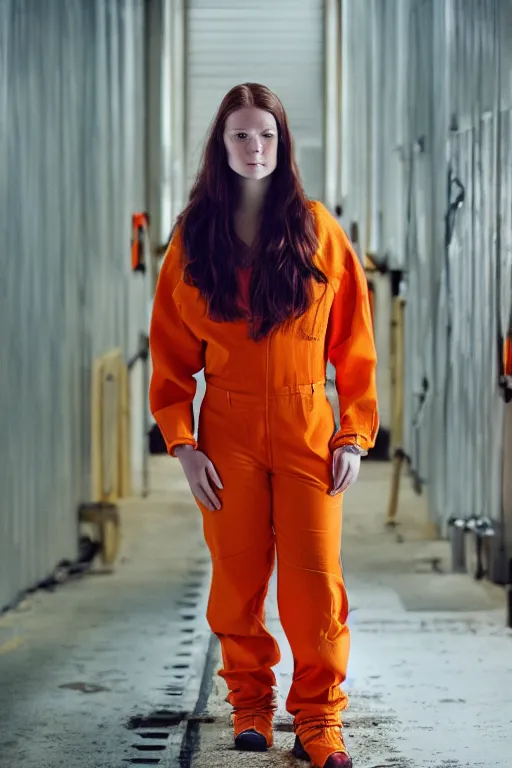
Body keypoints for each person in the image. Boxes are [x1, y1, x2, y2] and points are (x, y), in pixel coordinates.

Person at [149, 83, 378, 768]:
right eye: (241, 137)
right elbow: (169, 357)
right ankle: (250, 706)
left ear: (284, 144)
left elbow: (354, 343)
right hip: (229, 430)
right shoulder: (193, 238)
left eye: (267, 136)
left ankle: (319, 719)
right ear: (221, 149)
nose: (256, 149)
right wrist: (184, 446)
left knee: (314, 581)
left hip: (309, 422)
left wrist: (354, 434)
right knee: (239, 578)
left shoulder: (317, 229)